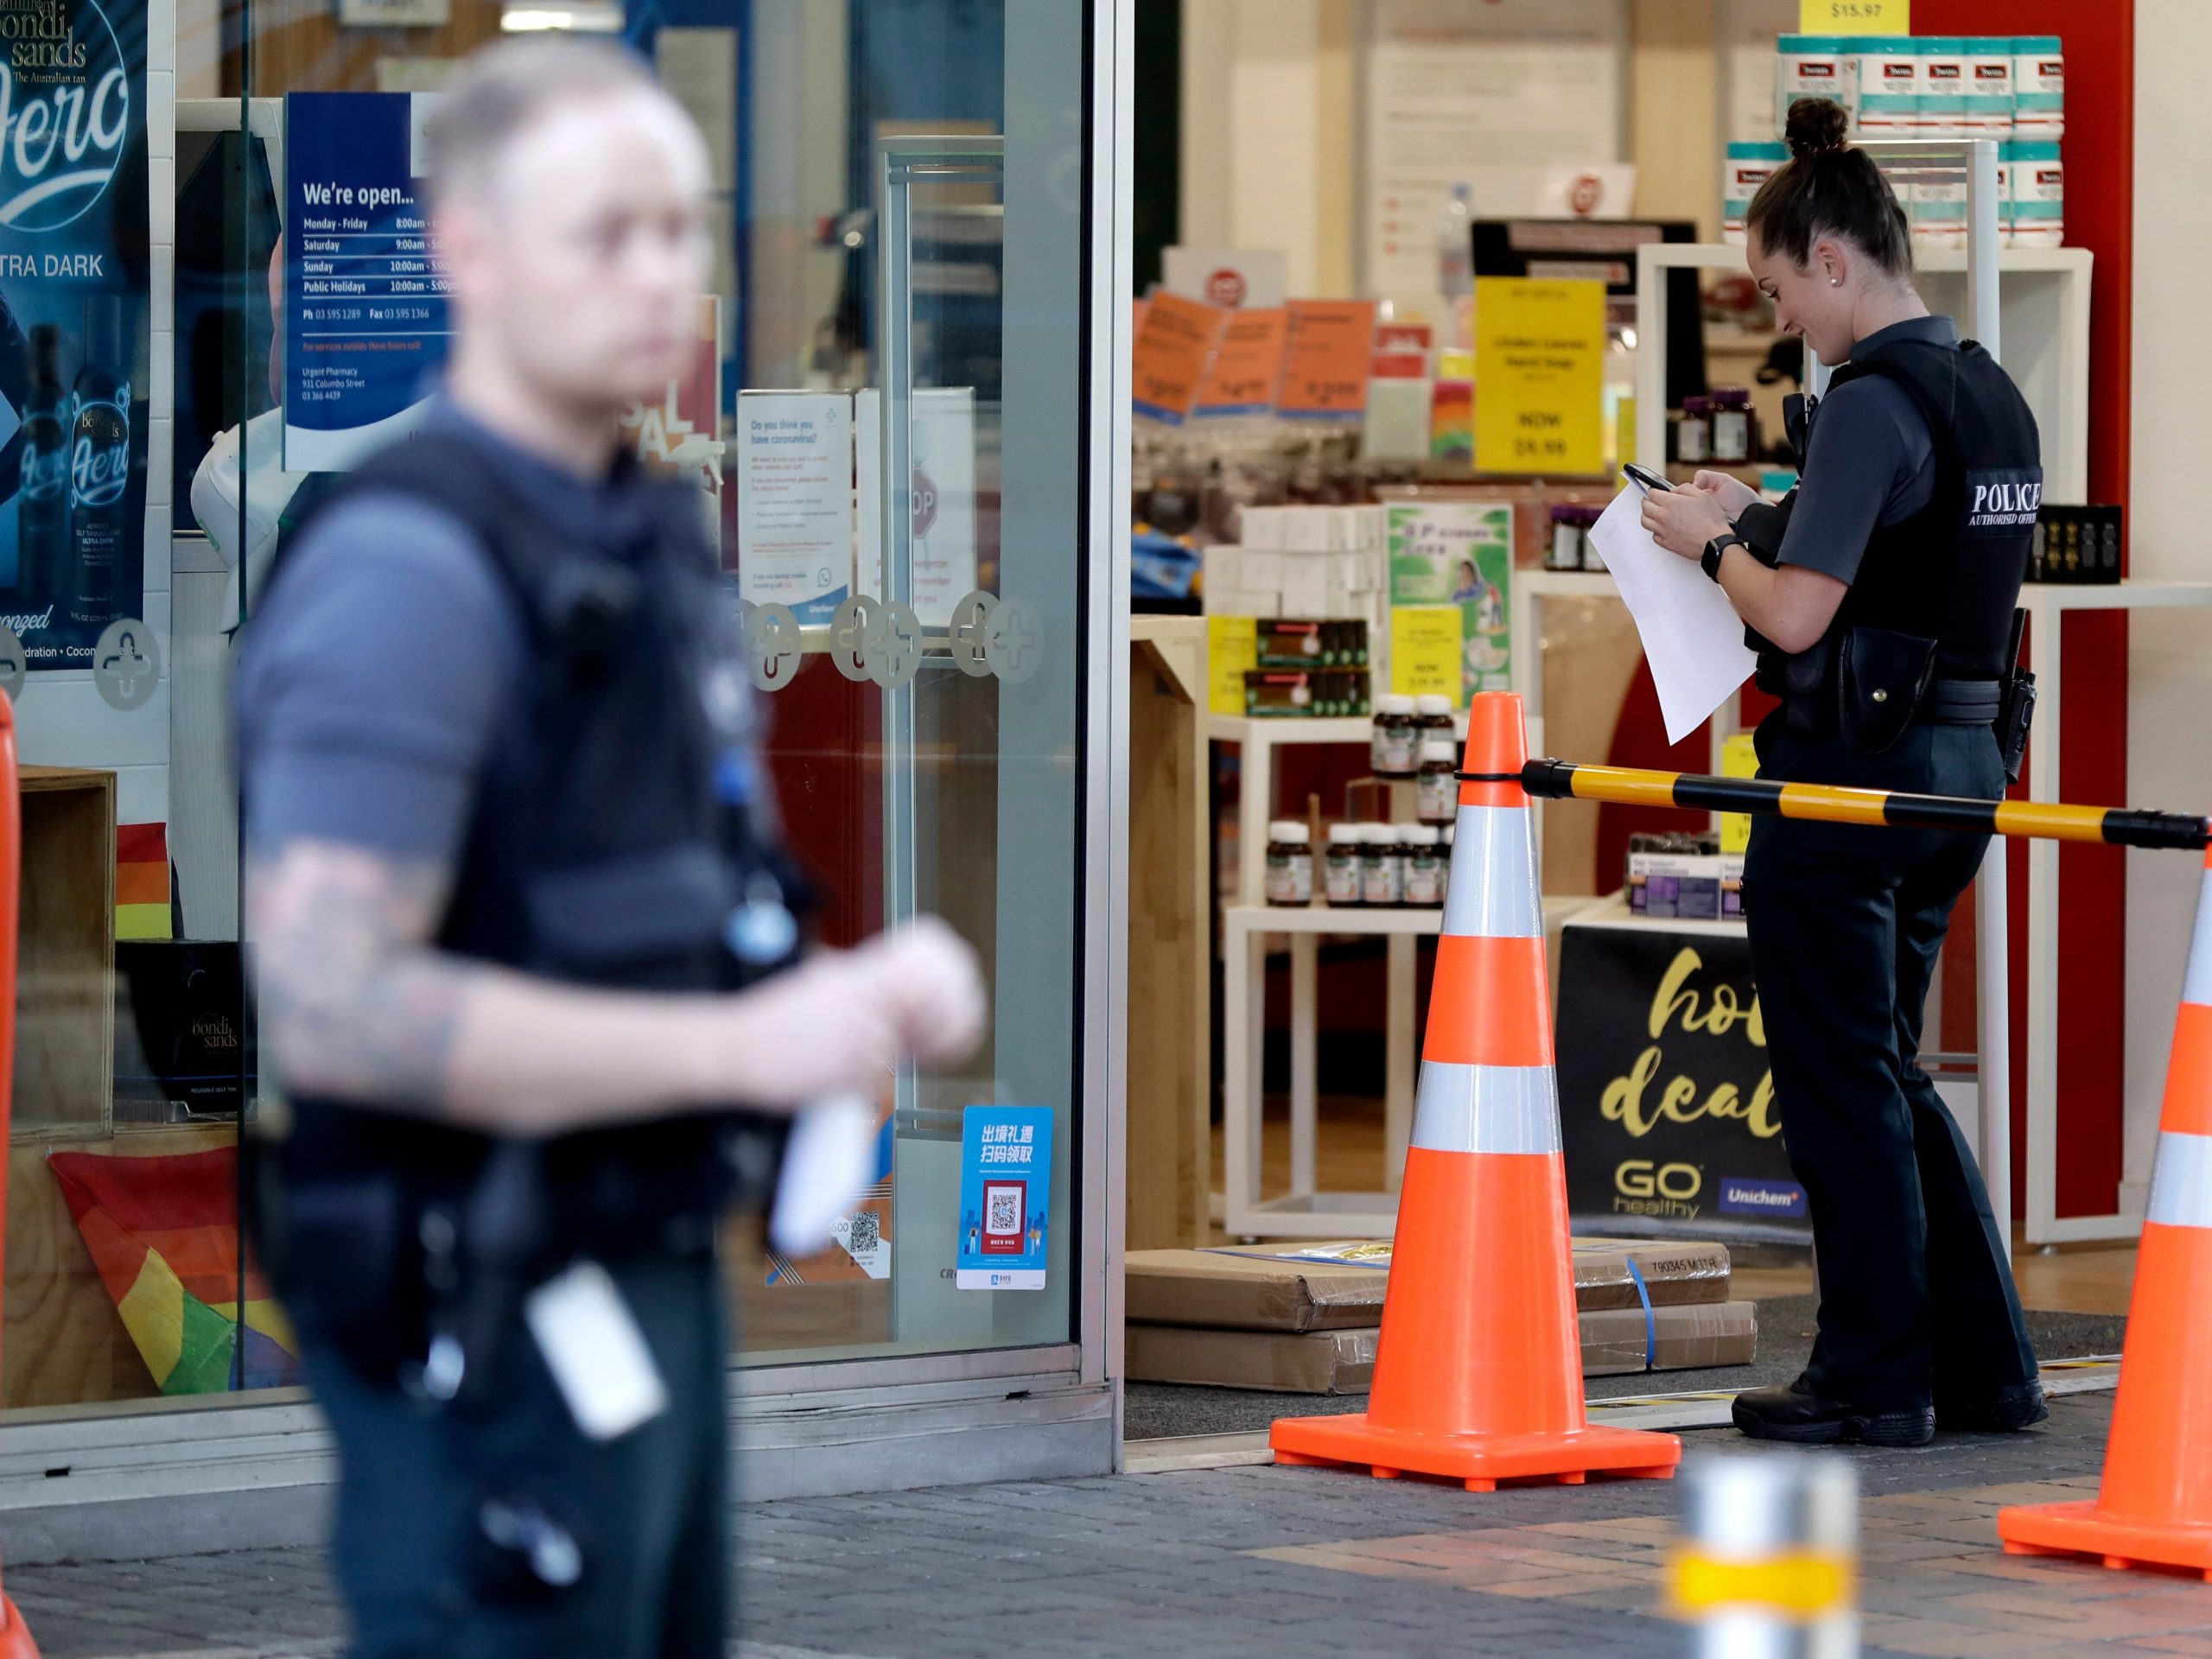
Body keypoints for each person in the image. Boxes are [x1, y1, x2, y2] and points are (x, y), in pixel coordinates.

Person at [237, 40, 986, 1656]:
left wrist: (844, 1012)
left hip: (647, 1273)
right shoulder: (407, 574)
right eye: (603, 233)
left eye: (679, 228)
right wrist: (740, 1038)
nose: (658, 274)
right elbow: (334, 1009)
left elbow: (680, 925)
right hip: (478, 1309)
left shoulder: (649, 548)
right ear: (468, 250)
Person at [1638, 97, 2042, 1449]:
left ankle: (1873, 1375)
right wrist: (1762, 516)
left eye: (1775, 287)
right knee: (1893, 1068)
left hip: (1847, 785)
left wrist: (1707, 541)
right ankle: (1987, 1367)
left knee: (1839, 1080)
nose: (1782, 320)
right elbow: (1912, 569)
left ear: (1830, 256)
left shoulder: (1871, 400)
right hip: (1964, 771)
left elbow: (1799, 615)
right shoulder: (1989, 390)